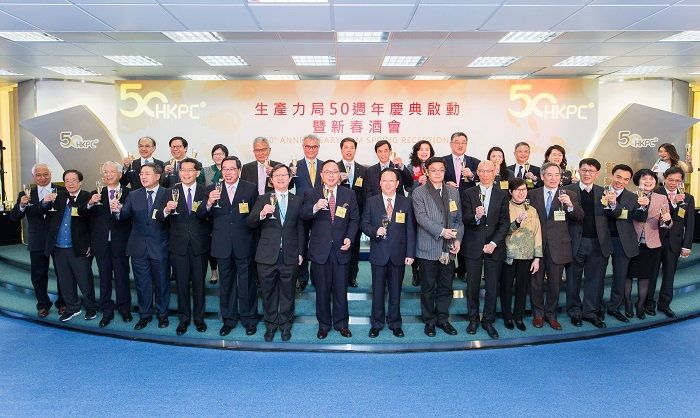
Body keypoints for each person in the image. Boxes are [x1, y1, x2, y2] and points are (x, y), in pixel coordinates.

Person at [197, 156, 259, 337]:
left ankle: (249, 320)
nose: (228, 172)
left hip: (244, 244)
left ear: (239, 170)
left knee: (247, 284)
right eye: (225, 169)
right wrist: (208, 202)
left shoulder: (250, 188)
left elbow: (255, 218)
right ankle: (229, 320)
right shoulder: (212, 189)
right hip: (222, 245)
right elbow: (200, 214)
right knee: (226, 284)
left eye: (232, 169)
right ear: (221, 171)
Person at [301, 160, 359, 339]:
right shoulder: (311, 194)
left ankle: (342, 324)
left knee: (341, 289)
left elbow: (354, 219)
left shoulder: (348, 194)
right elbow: (302, 215)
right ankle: (324, 325)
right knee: (322, 291)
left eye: (335, 171)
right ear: (321, 175)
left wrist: (349, 237)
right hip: (320, 251)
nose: (331, 175)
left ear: (340, 175)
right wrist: (315, 207)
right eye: (327, 172)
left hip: (341, 249)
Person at [247, 164, 304, 342]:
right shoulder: (263, 198)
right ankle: (271, 325)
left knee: (288, 293)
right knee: (268, 293)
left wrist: (301, 252)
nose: (280, 178)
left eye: (284, 175)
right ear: (271, 180)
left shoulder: (297, 200)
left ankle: (286, 325)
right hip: (267, 255)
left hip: (290, 254)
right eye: (276, 176)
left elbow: (301, 229)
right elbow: (250, 222)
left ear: (289, 178)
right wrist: (262, 214)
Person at [111, 163, 171, 330]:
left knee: (162, 283)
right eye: (141, 174)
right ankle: (145, 315)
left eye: (147, 173)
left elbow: (171, 220)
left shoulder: (168, 193)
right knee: (142, 283)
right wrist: (117, 210)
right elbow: (124, 215)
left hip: (160, 246)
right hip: (138, 247)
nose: (143, 177)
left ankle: (162, 315)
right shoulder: (134, 194)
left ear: (158, 176)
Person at [411, 157, 463, 337]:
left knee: (446, 286)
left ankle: (442, 319)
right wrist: (442, 231)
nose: (437, 173)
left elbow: (458, 219)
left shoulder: (453, 192)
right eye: (433, 170)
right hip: (428, 247)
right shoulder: (419, 193)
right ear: (427, 171)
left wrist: (457, 240)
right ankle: (429, 321)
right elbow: (422, 218)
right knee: (428, 287)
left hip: (449, 248)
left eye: (441, 170)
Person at [158, 158, 210, 336]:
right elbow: (158, 216)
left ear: (197, 172)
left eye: (190, 170)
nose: (186, 173)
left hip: (200, 246)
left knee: (199, 285)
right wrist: (166, 210)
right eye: (183, 170)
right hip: (178, 246)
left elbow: (209, 216)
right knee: (181, 285)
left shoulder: (206, 191)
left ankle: (199, 319)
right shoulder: (170, 191)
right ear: (178, 173)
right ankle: (184, 319)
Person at [361, 168, 415, 338]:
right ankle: (376, 324)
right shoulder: (371, 202)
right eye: (384, 180)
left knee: (395, 291)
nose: (388, 184)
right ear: (380, 183)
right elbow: (364, 224)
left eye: (391, 180)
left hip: (399, 254)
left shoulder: (405, 202)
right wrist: (374, 230)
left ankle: (395, 323)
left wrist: (410, 253)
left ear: (397, 183)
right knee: (377, 291)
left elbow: (411, 230)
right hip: (379, 253)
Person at [529, 162, 583, 330]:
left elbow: (580, 216)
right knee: (536, 283)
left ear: (561, 178)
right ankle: (538, 314)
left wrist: (570, 206)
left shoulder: (569, 194)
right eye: (549, 175)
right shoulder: (532, 194)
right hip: (536, 245)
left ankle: (551, 314)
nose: (553, 178)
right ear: (542, 176)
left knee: (555, 284)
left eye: (557, 175)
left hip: (559, 247)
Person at [9, 163, 66, 317]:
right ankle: (43, 304)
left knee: (63, 273)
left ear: (50, 173)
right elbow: (14, 217)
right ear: (34, 176)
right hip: (37, 240)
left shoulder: (61, 190)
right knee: (38, 275)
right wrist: (21, 204)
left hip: (58, 239)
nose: (42, 178)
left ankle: (63, 303)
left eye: (45, 174)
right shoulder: (26, 193)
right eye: (39, 175)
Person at [461, 161, 509, 339]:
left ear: (495, 172)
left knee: (491, 286)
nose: (485, 174)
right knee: (472, 285)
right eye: (482, 171)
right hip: (473, 245)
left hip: (494, 247)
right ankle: (473, 319)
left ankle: (488, 320)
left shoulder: (502, 195)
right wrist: (475, 216)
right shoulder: (468, 193)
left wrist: (494, 243)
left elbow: (505, 223)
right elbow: (464, 218)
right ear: (477, 173)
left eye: (489, 171)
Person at [565, 158, 614, 329]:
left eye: (591, 171)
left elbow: (612, 217)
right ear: (578, 171)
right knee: (573, 279)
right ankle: (574, 311)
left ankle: (590, 312)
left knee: (595, 279)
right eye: (584, 170)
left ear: (597, 174)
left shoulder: (605, 192)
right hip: (575, 242)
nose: (587, 174)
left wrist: (613, 204)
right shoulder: (567, 191)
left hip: (598, 243)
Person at [44, 170, 98, 322]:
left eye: (74, 180)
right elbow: (45, 212)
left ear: (80, 182)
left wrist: (91, 245)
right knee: (65, 281)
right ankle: (72, 308)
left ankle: (91, 308)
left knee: (85, 280)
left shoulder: (88, 197)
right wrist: (45, 202)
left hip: (79, 247)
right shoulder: (59, 196)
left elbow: (94, 224)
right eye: (67, 181)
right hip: (59, 247)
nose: (71, 183)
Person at [86, 161, 132, 327]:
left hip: (121, 243)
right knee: (104, 279)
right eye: (105, 172)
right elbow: (87, 220)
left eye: (112, 171)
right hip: (101, 244)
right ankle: (106, 311)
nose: (108, 174)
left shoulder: (129, 193)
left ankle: (125, 309)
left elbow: (133, 219)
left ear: (120, 174)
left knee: (122, 277)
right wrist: (90, 203)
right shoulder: (96, 194)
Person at [645, 166, 694, 318]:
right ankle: (649, 303)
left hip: (674, 242)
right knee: (651, 273)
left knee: (669, 274)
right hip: (655, 238)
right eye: (671, 180)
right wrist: (672, 202)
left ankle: (664, 304)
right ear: (664, 179)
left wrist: (687, 245)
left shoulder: (687, 197)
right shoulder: (656, 193)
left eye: (677, 180)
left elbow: (689, 223)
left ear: (681, 182)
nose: (673, 183)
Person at [626, 169, 672, 319]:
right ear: (638, 181)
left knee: (645, 276)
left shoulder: (661, 198)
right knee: (627, 275)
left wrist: (667, 220)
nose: (648, 181)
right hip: (631, 242)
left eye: (651, 179)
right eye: (644, 179)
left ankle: (640, 304)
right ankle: (627, 303)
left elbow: (666, 223)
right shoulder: (630, 196)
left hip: (651, 243)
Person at [500, 178, 542, 331]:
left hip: (527, 255)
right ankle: (507, 316)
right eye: (518, 190)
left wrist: (537, 258)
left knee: (522, 288)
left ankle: (518, 317)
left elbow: (537, 233)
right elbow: (503, 231)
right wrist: (517, 221)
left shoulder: (532, 210)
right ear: (511, 191)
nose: (521, 193)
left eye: (524, 190)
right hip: (509, 254)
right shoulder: (505, 207)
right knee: (506, 287)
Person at [603, 164, 641, 324]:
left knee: (619, 277)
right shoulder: (600, 191)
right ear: (612, 175)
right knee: (598, 275)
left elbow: (629, 217)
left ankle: (614, 307)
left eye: (626, 179)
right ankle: (595, 306)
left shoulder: (633, 197)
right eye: (618, 177)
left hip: (623, 241)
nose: (621, 182)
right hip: (601, 239)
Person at [443, 132, 480, 282]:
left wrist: (472, 176)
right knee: (449, 232)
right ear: (451, 144)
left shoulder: (474, 161)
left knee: (464, 235)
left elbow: (483, 176)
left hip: (467, 204)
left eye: (463, 142)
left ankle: (463, 269)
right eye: (456, 142)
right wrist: (446, 183)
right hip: (447, 203)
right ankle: (448, 267)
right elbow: (436, 176)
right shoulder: (443, 161)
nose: (460, 145)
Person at [290, 134, 323, 291]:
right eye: (308, 146)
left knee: (317, 244)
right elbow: (288, 187)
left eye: (314, 146)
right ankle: (302, 278)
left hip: (319, 210)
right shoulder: (295, 165)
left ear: (318, 148)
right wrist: (290, 174)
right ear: (303, 147)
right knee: (301, 244)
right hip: (301, 210)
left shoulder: (324, 166)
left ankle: (317, 277)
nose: (311, 149)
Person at [337, 137, 367, 288]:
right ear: (341, 149)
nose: (349, 150)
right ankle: (338, 277)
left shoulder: (363, 169)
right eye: (346, 147)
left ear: (355, 150)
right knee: (338, 245)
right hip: (336, 215)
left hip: (356, 214)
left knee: (354, 246)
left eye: (351, 148)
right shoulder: (333, 168)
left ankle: (352, 277)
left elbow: (366, 193)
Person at [197, 143, 228, 284]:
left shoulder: (230, 170)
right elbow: (201, 188)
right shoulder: (206, 170)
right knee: (211, 242)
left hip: (226, 212)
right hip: (210, 211)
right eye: (215, 154)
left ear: (225, 155)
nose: (218, 156)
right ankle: (214, 271)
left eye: (221, 154)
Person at [408, 140, 435, 287]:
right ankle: (415, 271)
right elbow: (407, 186)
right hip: (414, 206)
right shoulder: (411, 167)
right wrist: (418, 182)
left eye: (427, 149)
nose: (424, 152)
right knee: (415, 237)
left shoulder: (436, 166)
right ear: (416, 152)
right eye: (421, 149)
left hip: (432, 208)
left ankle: (428, 271)